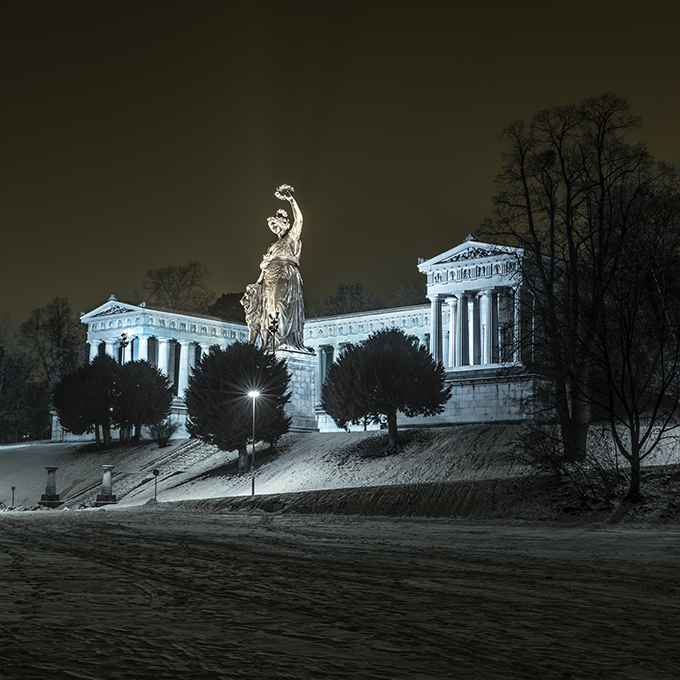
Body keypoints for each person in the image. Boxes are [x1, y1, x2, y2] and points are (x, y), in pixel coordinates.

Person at [244, 184, 308, 352]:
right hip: (269, 279)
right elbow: (263, 268)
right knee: (269, 309)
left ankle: (283, 341)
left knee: (280, 306)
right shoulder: (272, 246)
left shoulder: (291, 238)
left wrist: (291, 200)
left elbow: (300, 220)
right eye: (273, 226)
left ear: (285, 224)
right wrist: (259, 278)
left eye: (277, 224)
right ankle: (271, 343)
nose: (275, 228)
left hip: (286, 276)